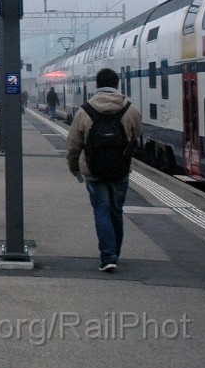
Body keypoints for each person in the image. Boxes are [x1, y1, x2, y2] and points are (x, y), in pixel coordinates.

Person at [65, 68, 143, 272]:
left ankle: (107, 256)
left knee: (101, 211)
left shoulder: (85, 111)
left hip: (93, 170)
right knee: (116, 211)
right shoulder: (130, 109)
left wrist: (74, 167)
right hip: (120, 170)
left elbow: (74, 143)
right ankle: (114, 253)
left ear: (97, 85)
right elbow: (137, 136)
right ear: (117, 84)